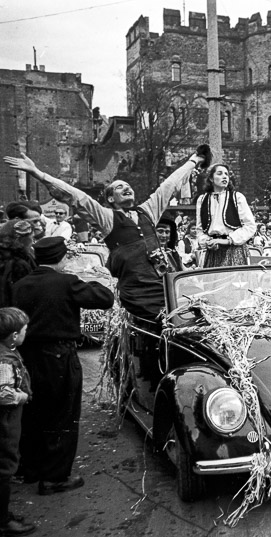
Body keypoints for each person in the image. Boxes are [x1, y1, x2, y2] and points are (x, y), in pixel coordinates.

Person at [3, 147, 208, 321]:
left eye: (128, 186)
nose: (126, 187)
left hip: (164, 286)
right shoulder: (107, 217)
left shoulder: (147, 211)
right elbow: (76, 196)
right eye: (119, 187)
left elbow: (169, 185)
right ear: (110, 198)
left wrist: (194, 160)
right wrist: (38, 173)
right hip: (138, 293)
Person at [11, 237, 114, 495]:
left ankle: (31, 469)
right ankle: (55, 477)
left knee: (33, 413)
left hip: (26, 356)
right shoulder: (66, 281)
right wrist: (95, 276)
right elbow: (104, 298)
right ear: (63, 258)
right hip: (58, 355)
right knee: (62, 415)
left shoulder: (21, 285)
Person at [0, 307, 36, 536]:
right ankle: (3, 521)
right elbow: (4, 394)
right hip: (5, 422)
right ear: (14, 335)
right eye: (24, 330)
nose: (26, 333)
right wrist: (23, 396)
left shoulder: (6, 350)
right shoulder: (4, 360)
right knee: (5, 467)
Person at [195, 163, 256, 267]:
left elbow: (250, 226)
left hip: (235, 250)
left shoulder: (237, 198)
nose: (224, 177)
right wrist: (207, 242)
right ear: (211, 178)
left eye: (226, 174)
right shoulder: (202, 200)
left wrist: (228, 240)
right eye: (219, 173)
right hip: (213, 252)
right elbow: (200, 229)